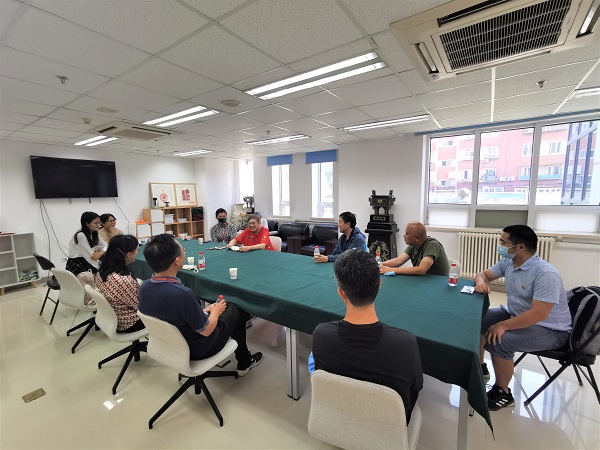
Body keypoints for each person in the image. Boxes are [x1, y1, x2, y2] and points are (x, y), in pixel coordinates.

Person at [309, 249, 423, 423]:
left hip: (336, 420)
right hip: (390, 427)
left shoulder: (321, 334)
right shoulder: (405, 344)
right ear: (379, 285)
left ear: (341, 292)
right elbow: (415, 388)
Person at [474, 225, 571, 411]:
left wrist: (503, 325)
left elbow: (539, 314)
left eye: (503, 242)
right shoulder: (508, 262)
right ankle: (480, 366)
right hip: (516, 313)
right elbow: (483, 275)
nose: (500, 245)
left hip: (550, 329)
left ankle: (503, 392)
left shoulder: (546, 273)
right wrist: (481, 283)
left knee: (499, 340)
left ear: (519, 247)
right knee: (476, 319)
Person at [138, 234, 262, 375]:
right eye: (183, 250)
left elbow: (173, 314)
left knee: (227, 311)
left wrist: (205, 310)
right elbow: (207, 330)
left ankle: (244, 359)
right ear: (177, 261)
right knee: (236, 309)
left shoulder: (144, 287)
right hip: (199, 348)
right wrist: (215, 312)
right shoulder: (183, 294)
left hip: (169, 345)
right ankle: (244, 361)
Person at [95, 234, 145, 333]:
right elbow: (140, 307)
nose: (137, 252)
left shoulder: (101, 272)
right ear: (129, 254)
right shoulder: (124, 281)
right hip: (129, 324)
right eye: (137, 249)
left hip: (112, 319)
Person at [380, 221, 450, 276]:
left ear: (417, 238)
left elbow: (421, 270)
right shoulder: (413, 246)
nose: (404, 236)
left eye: (407, 233)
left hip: (438, 283)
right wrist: (379, 265)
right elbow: (397, 261)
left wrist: (390, 270)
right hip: (425, 281)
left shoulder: (432, 245)